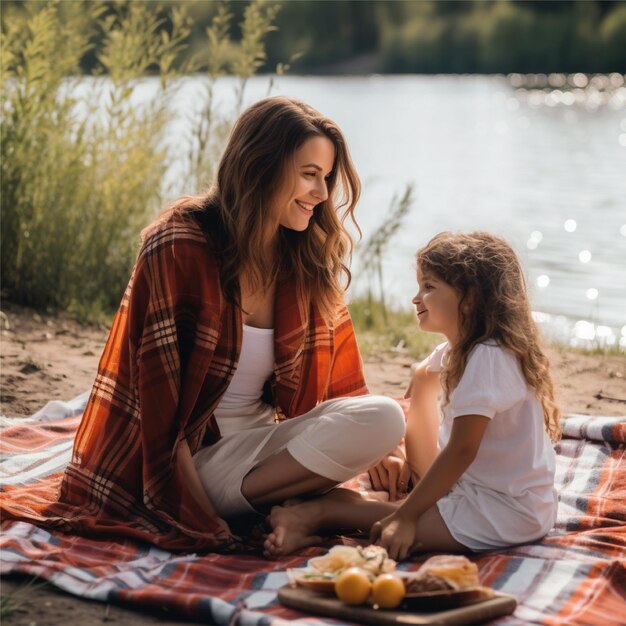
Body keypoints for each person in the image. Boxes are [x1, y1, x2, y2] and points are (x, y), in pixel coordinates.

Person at [4, 96, 406, 551]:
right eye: (310, 174)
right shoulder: (179, 246)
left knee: (386, 418)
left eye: (327, 178)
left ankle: (308, 502)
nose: (322, 193)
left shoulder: (302, 257)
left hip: (266, 448)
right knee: (375, 427)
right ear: (262, 167)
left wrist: (384, 450)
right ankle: (324, 506)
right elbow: (160, 415)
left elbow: (341, 387)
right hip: (185, 465)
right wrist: (202, 520)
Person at [264, 231, 560, 559]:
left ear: (471, 298)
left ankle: (321, 513)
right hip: (474, 490)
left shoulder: (489, 357)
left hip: (510, 511)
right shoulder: (461, 349)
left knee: (403, 535)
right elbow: (427, 387)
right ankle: (346, 508)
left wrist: (406, 516)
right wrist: (422, 378)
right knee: (423, 393)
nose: (416, 298)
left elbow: (462, 450)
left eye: (429, 287)